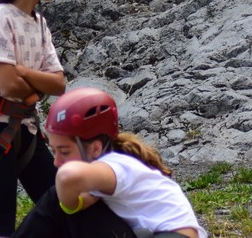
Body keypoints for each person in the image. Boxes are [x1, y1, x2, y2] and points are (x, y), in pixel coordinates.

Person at [14, 87, 207, 238]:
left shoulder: (115, 164)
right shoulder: (114, 164)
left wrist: (70, 204)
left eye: (64, 152)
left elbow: (66, 176)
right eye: (54, 151)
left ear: (96, 148)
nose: (56, 162)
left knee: (57, 198)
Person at [0, 0, 67, 236]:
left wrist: (23, 72)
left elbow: (60, 83)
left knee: (60, 207)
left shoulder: (39, 23)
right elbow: (8, 84)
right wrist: (34, 84)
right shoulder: (0, 17)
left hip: (25, 127)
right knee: (0, 223)